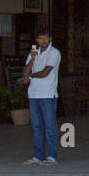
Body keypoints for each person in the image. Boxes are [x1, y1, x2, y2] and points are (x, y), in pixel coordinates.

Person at [22, 26, 61, 166]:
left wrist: (31, 76)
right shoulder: (34, 53)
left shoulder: (54, 53)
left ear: (50, 39)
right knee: (37, 127)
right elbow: (25, 71)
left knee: (50, 126)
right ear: (36, 40)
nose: (43, 40)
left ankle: (52, 156)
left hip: (47, 94)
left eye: (45, 38)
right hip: (33, 94)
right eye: (40, 38)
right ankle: (38, 156)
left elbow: (45, 73)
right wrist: (32, 60)